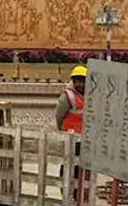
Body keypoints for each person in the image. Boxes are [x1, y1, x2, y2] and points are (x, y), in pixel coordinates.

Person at [57, 65, 88, 202]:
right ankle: (66, 191)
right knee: (68, 165)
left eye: (82, 81)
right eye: (77, 81)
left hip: (85, 138)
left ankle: (78, 194)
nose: (79, 84)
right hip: (70, 138)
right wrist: (62, 130)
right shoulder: (68, 96)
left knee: (81, 167)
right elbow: (59, 115)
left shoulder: (91, 95)